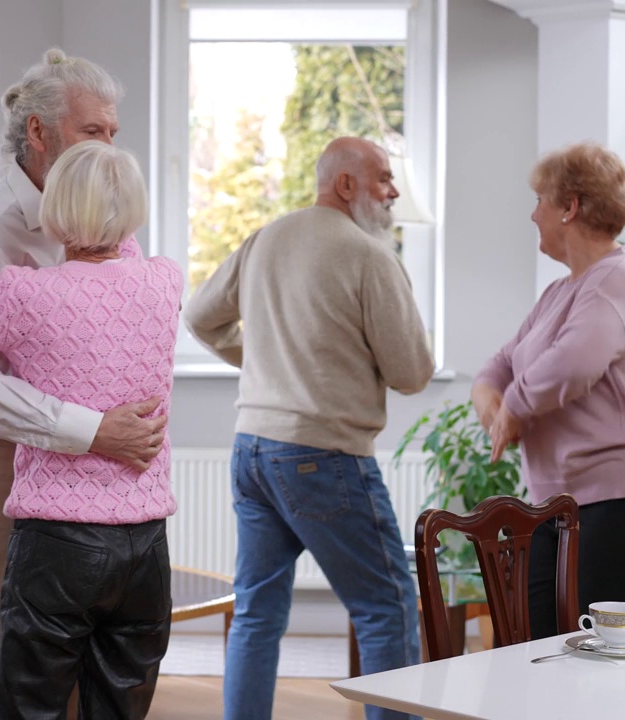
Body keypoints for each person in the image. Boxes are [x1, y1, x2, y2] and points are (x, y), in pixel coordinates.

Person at [0, 140, 182, 719]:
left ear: (53, 211)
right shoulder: (165, 281)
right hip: (146, 547)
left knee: (27, 710)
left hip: (58, 548)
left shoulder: (23, 293)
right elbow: (120, 265)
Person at [185, 137, 434, 720]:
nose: (393, 191)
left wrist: (268, 360)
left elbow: (199, 316)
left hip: (252, 451)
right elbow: (413, 372)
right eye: (382, 178)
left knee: (256, 612)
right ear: (345, 184)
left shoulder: (266, 238)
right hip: (323, 457)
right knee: (388, 607)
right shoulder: (370, 256)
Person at [472, 141, 625, 640]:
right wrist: (490, 399)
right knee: (539, 646)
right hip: (559, 504)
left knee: (601, 665)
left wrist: (513, 408)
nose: (533, 214)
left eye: (540, 200)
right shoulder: (561, 291)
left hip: (617, 506)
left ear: (571, 206)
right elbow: (501, 362)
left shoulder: (622, 280)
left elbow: (573, 364)